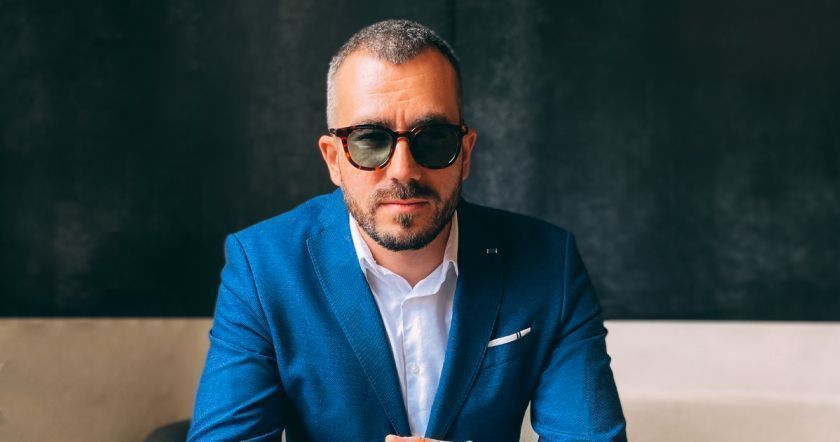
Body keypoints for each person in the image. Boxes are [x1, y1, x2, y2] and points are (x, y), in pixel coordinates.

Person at [188, 19, 626, 442]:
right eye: (370, 139)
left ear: (465, 153)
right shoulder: (262, 266)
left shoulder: (550, 263)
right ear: (334, 159)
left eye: (433, 138)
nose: (403, 170)